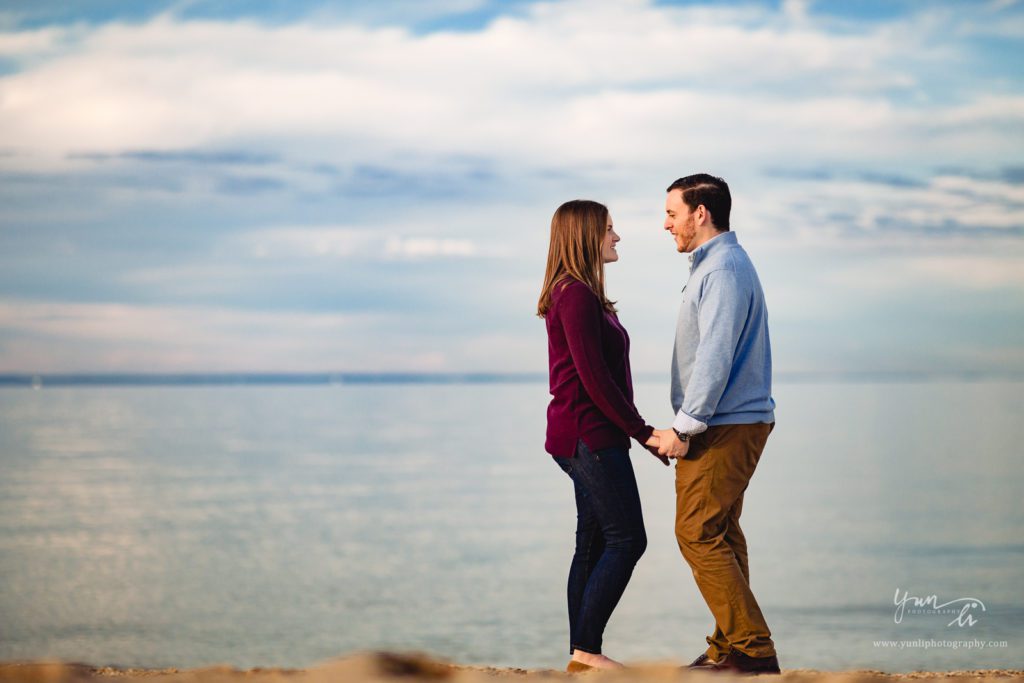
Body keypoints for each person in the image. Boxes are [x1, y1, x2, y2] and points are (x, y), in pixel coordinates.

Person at [651, 174, 781, 675]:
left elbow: (715, 355)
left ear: (700, 213)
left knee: (696, 532)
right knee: (720, 531)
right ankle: (732, 648)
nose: (666, 224)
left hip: (724, 424)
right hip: (731, 420)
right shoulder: (716, 264)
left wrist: (684, 428)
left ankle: (752, 650)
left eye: (671, 213)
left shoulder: (723, 269)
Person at [537, 199, 666, 673]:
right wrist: (644, 432)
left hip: (588, 434)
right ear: (585, 235)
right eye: (609, 229)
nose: (617, 237)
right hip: (588, 435)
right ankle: (588, 651)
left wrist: (633, 431)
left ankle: (581, 653)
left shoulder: (582, 295)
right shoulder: (574, 295)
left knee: (591, 543)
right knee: (628, 540)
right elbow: (593, 377)